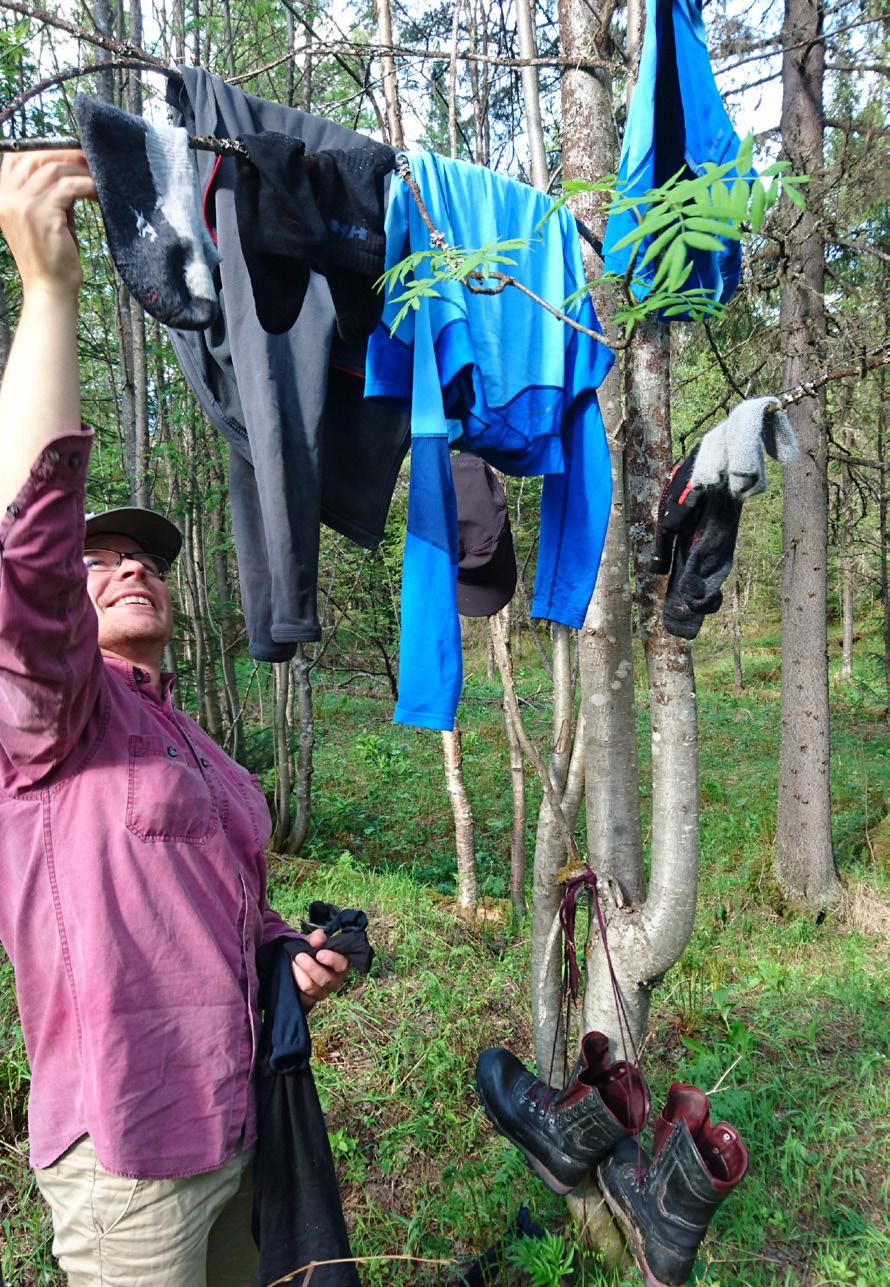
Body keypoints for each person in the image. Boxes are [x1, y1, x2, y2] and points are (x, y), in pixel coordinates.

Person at [0, 149, 351, 1285]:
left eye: (143, 559)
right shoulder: (51, 722)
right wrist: (50, 296)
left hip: (242, 1119)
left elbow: (226, 915)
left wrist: (286, 957)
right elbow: (24, 559)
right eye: (99, 563)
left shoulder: (198, 748)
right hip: (129, 1152)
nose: (124, 571)